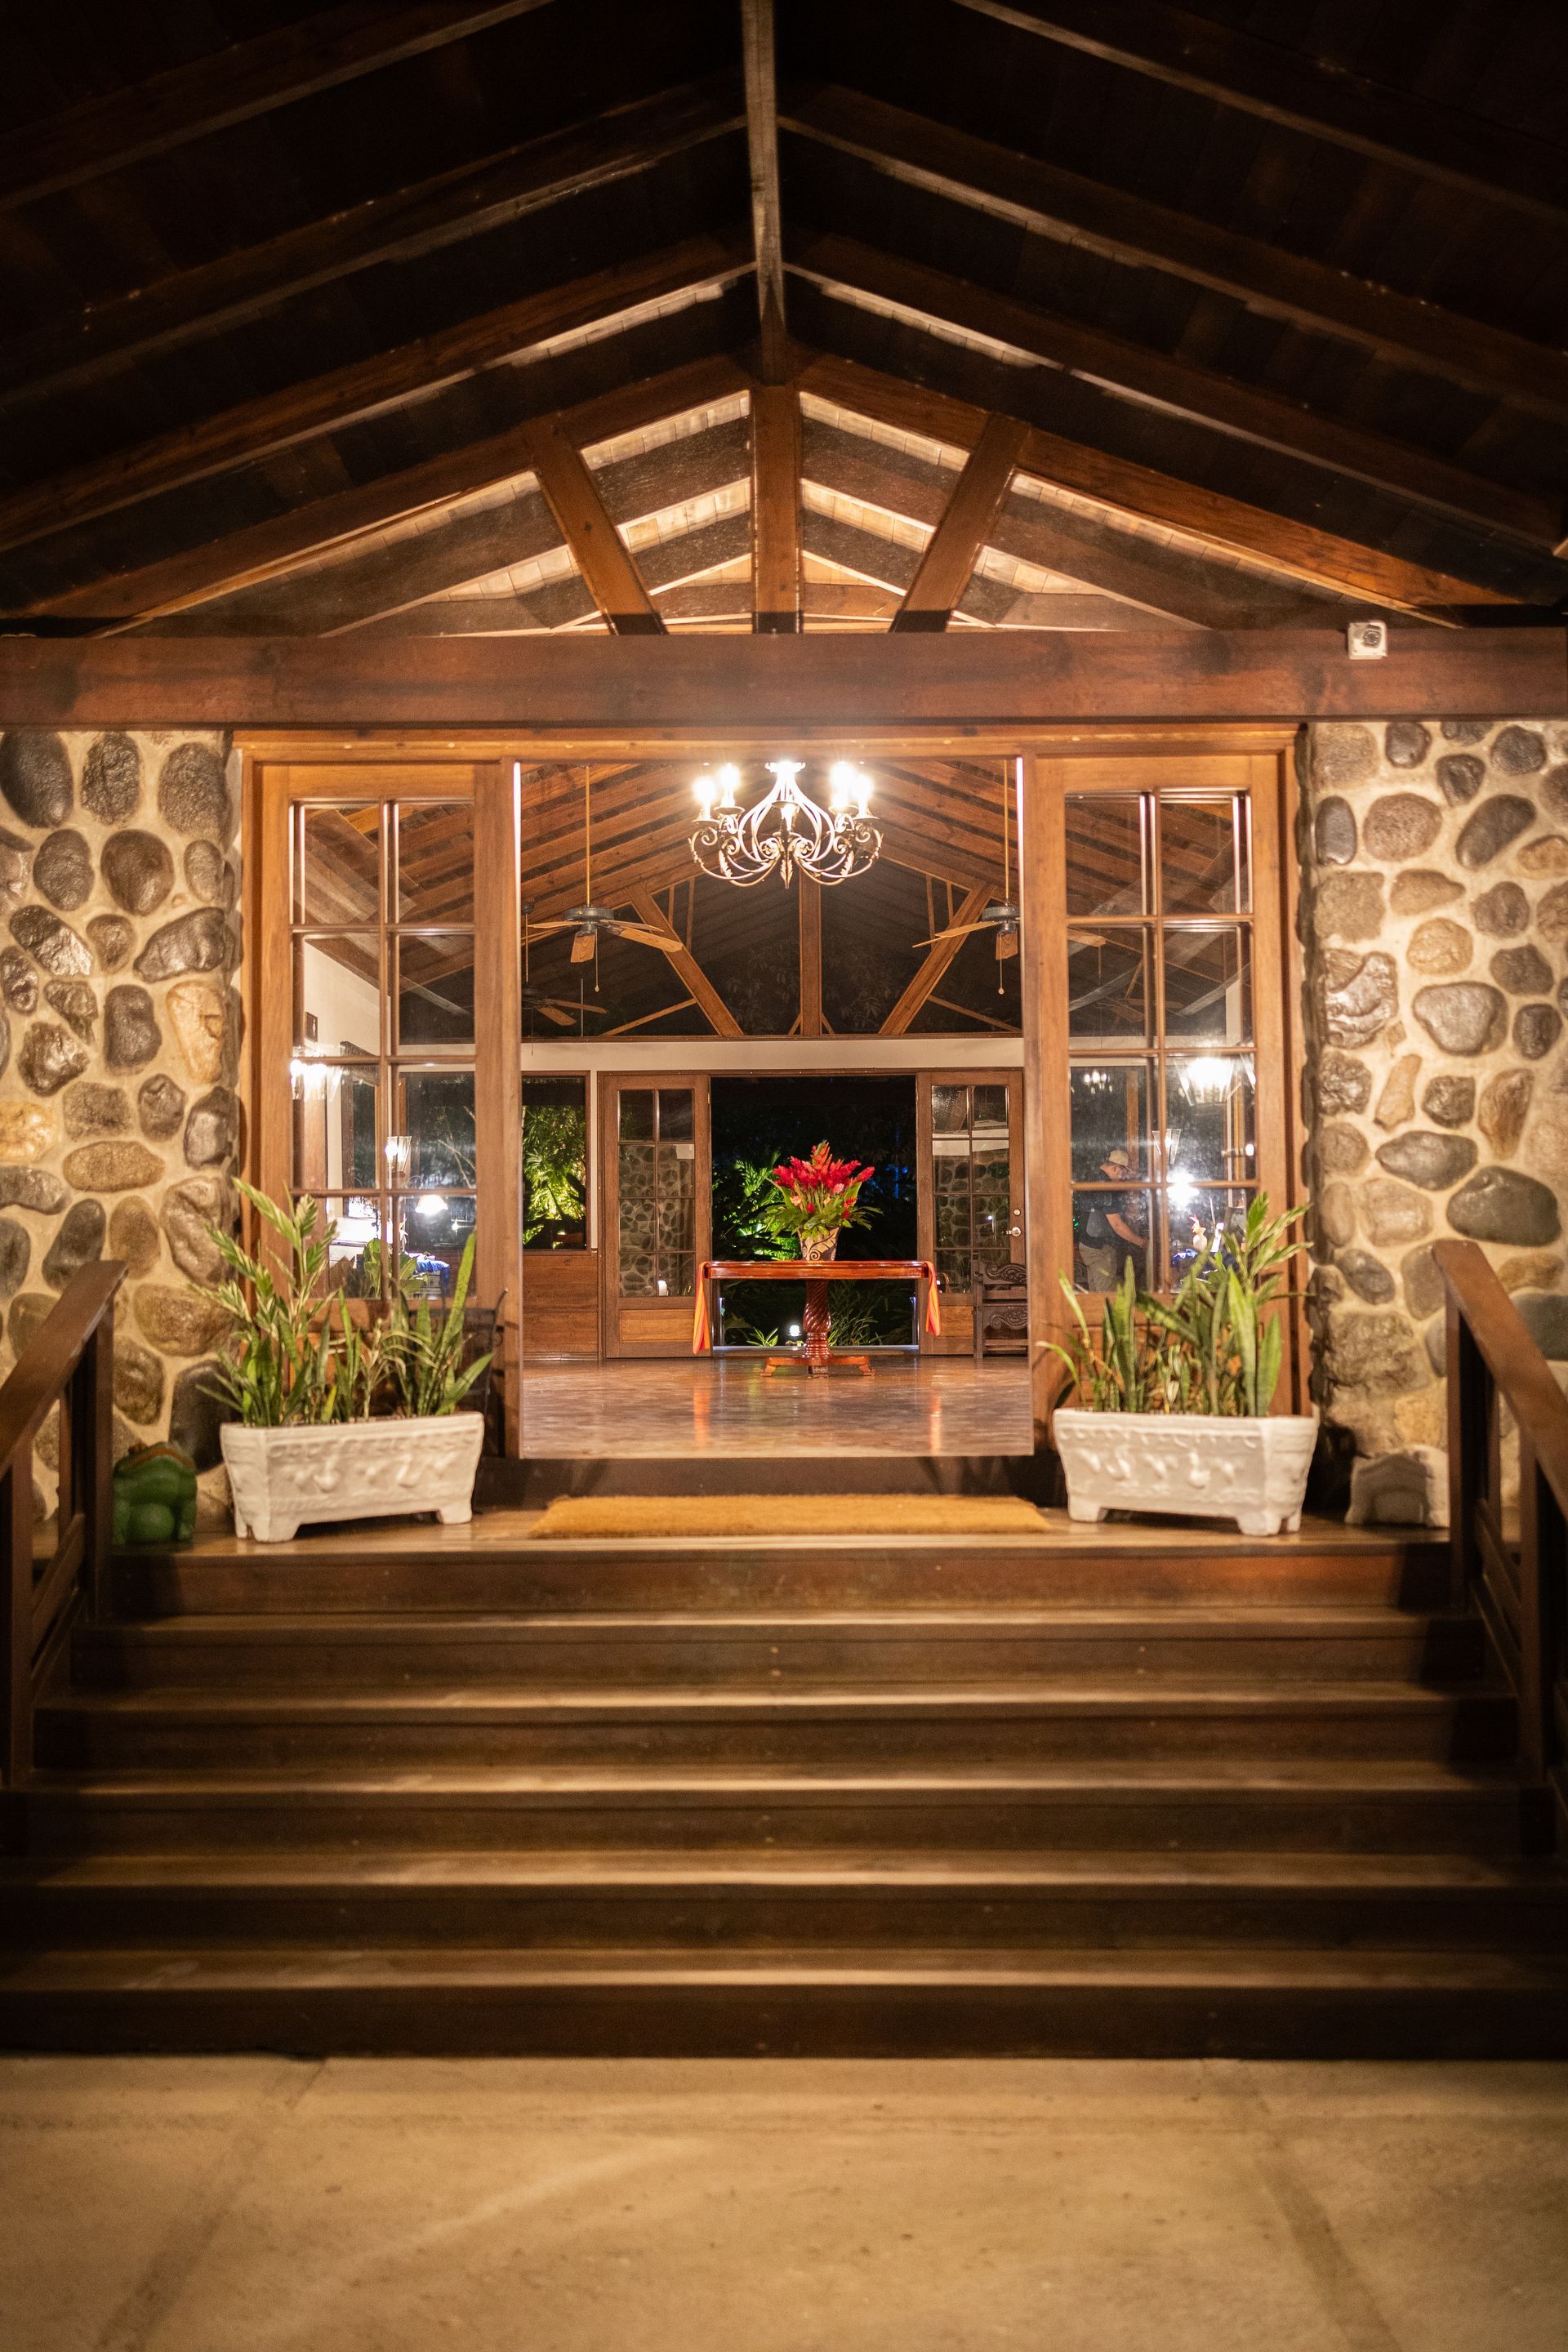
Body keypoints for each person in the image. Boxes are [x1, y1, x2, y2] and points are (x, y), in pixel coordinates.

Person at [1079, 1148, 1147, 1292]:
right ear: (1116, 1168)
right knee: (1109, 1298)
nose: (1123, 1178)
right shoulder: (1106, 1186)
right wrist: (1143, 1243)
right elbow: (1117, 1225)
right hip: (1100, 1249)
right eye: (1124, 1173)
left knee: (1095, 1299)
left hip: (1086, 1245)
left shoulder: (1091, 1179)